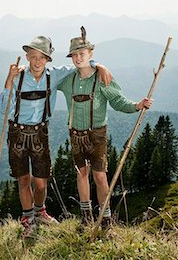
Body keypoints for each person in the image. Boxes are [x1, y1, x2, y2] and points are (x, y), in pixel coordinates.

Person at [0, 35, 112, 237]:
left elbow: (81, 65)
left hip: (40, 133)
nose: (38, 61)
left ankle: (40, 211)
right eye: (34, 57)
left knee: (40, 183)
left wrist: (98, 65)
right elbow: (2, 109)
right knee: (24, 180)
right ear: (27, 57)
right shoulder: (19, 77)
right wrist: (8, 81)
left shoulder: (55, 75)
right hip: (17, 133)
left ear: (48, 59)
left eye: (42, 57)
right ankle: (28, 220)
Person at [57, 27, 153, 228]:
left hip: (97, 134)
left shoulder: (102, 79)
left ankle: (106, 218)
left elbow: (118, 101)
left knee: (100, 176)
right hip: (75, 133)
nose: (77, 58)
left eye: (82, 54)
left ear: (90, 54)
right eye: (74, 55)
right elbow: (46, 78)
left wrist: (137, 105)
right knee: (81, 173)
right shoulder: (67, 80)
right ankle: (86, 216)